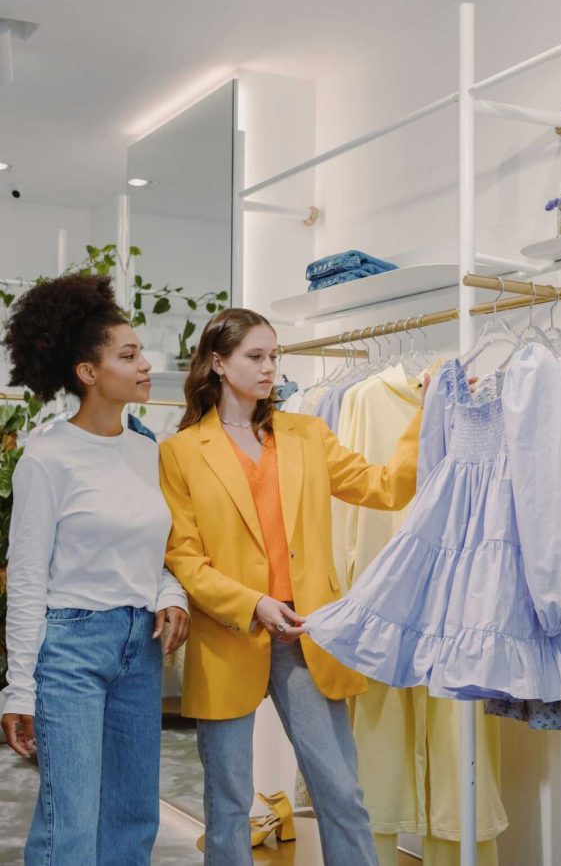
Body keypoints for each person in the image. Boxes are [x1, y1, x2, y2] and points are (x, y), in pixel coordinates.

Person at [159, 307, 427, 866]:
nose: (269, 368)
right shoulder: (180, 451)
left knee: (342, 793)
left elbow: (385, 488)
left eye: (273, 355)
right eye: (255, 356)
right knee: (228, 804)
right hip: (229, 633)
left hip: (307, 632)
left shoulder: (307, 434)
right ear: (218, 363)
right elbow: (185, 557)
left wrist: (426, 414)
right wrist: (252, 603)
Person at [0, 274, 190, 866]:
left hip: (141, 647)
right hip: (71, 648)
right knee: (71, 824)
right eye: (128, 356)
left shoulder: (145, 449)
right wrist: (18, 687)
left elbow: (150, 549)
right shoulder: (47, 457)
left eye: (140, 353)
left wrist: (171, 591)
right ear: (88, 372)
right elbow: (26, 579)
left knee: (134, 817)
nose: (145, 364)